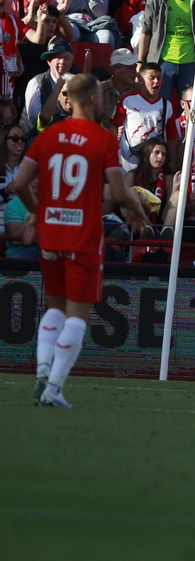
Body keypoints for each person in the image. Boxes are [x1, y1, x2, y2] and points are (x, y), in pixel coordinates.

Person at [11, 72, 148, 407]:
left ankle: (43, 368)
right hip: (83, 234)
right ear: (93, 100)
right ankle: (54, 387)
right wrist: (135, 208)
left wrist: (38, 212)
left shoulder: (48, 136)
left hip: (51, 232)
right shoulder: (102, 139)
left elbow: (20, 184)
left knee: (55, 306)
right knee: (76, 314)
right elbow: (118, 192)